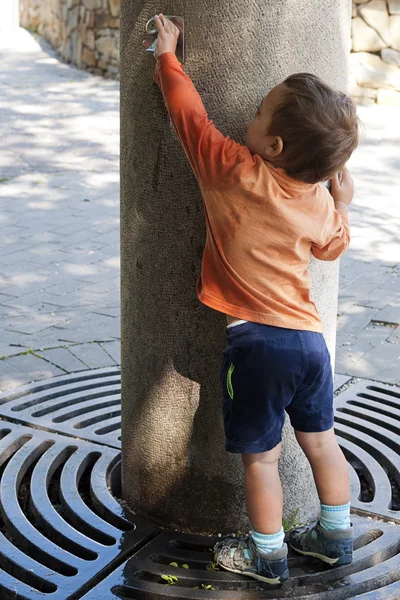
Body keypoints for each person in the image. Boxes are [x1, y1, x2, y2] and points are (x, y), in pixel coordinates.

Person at [145, 14, 359, 585]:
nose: (250, 114)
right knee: (321, 444)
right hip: (310, 344)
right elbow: (333, 248)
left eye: (259, 110)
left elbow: (190, 117)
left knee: (260, 458)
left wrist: (168, 55)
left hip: (257, 343)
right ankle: (335, 537)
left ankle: (266, 555)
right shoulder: (316, 201)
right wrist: (344, 204)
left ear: (274, 143)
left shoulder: (234, 172)